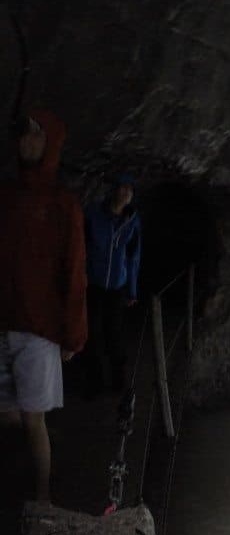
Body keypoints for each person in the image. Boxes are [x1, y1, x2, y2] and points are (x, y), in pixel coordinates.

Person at [0, 111, 88, 504]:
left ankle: (42, 498)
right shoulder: (6, 195)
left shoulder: (62, 204)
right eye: (23, 136)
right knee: (9, 413)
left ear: (50, 143)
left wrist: (73, 334)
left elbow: (74, 272)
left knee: (33, 418)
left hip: (38, 329)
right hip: (3, 322)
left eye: (36, 136)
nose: (27, 143)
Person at [84, 174, 142, 395]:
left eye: (130, 189)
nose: (126, 193)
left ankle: (119, 382)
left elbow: (134, 256)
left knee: (114, 334)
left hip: (116, 287)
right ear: (114, 190)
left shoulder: (132, 221)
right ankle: (94, 382)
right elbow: (80, 247)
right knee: (92, 334)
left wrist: (132, 289)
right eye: (122, 188)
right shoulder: (93, 215)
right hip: (94, 285)